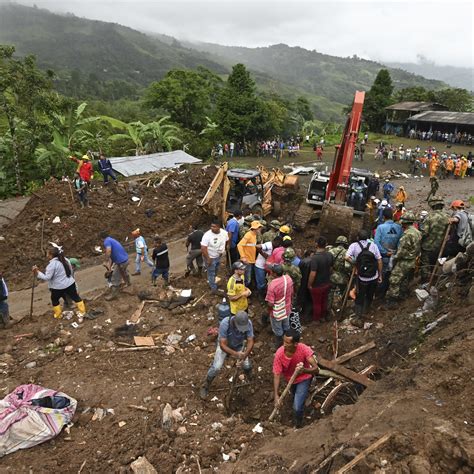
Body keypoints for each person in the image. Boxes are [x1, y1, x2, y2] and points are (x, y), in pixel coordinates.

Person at [199, 310, 254, 399]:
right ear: (235, 323)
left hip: (239, 346)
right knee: (216, 367)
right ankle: (205, 385)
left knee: (247, 365)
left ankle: (250, 377)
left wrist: (244, 355)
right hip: (226, 346)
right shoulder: (225, 323)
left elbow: (250, 340)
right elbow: (222, 345)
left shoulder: (248, 323)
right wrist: (236, 354)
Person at [273, 329, 319, 428]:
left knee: (297, 407)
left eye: (287, 343)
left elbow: (316, 369)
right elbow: (277, 374)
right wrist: (276, 395)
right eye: (284, 341)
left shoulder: (304, 349)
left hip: (304, 378)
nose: (284, 344)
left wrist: (304, 370)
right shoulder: (279, 354)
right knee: (295, 395)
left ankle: (298, 425)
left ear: (295, 344)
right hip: (291, 380)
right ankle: (299, 399)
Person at [33, 246, 87, 319]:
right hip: (70, 283)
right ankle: (82, 311)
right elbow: (70, 271)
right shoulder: (66, 260)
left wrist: (37, 272)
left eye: (48, 254)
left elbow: (47, 277)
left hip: (57, 287)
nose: (47, 255)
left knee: (55, 300)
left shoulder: (51, 265)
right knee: (76, 297)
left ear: (51, 255)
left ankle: (58, 315)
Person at [345, 229, 383, 325]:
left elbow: (346, 257)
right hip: (373, 276)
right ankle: (366, 310)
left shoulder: (354, 246)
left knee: (360, 295)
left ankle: (358, 314)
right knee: (370, 294)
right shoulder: (373, 246)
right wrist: (380, 275)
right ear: (368, 238)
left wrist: (356, 264)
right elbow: (379, 260)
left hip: (361, 277)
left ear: (358, 237)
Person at [385, 212, 421, 307]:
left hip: (405, 261)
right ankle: (403, 295)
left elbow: (401, 252)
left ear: (404, 223)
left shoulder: (406, 235)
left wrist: (394, 256)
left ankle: (392, 301)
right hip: (413, 260)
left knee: (394, 279)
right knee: (405, 279)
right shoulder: (417, 232)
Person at [374, 208, 402, 298]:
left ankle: (378, 295)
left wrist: (386, 253)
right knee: (391, 276)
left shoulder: (380, 228)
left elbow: (376, 243)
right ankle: (385, 294)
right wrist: (394, 252)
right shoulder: (399, 228)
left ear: (384, 217)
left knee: (381, 276)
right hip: (395, 257)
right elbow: (401, 242)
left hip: (383, 257)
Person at [420, 197, 449, 282]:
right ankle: (434, 278)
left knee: (425, 266)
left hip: (428, 246)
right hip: (441, 246)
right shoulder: (447, 216)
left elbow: (424, 233)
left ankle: (425, 282)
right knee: (435, 264)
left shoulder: (429, 217)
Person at [266, 264, 294, 348]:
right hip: (287, 307)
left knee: (277, 328)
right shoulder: (288, 279)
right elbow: (292, 292)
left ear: (274, 274)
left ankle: (278, 345)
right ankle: (288, 341)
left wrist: (269, 310)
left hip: (277, 311)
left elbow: (270, 303)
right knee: (286, 325)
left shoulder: (272, 285)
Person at [307, 237, 334, 322]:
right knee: (324, 301)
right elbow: (331, 268)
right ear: (326, 244)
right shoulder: (330, 255)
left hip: (317, 285)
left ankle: (316, 320)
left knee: (317, 303)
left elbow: (313, 273)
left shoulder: (315, 258)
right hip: (326, 282)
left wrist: (309, 284)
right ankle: (322, 317)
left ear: (316, 244)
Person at [100, 231, 130, 301]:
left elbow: (109, 251)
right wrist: (109, 268)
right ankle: (128, 284)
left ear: (102, 238)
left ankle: (114, 295)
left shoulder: (106, 241)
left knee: (115, 278)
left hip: (121, 262)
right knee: (124, 273)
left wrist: (105, 260)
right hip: (125, 260)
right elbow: (111, 258)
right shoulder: (112, 240)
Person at [201, 219, 229, 294]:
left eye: (214, 227)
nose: (212, 228)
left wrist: (225, 247)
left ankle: (212, 282)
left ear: (219, 227)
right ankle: (213, 289)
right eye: (211, 226)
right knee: (211, 272)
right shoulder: (207, 235)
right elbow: (203, 248)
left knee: (216, 270)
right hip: (210, 257)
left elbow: (227, 240)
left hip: (218, 256)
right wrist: (208, 259)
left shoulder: (224, 233)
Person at [327, 236, 352, 311]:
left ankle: (328, 309)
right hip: (343, 277)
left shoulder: (330, 251)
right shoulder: (347, 253)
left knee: (330, 293)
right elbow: (348, 267)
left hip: (332, 275)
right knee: (344, 292)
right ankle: (342, 308)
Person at [238, 220, 263, 286]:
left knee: (248, 277)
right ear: (255, 229)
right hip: (247, 260)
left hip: (251, 260)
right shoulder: (248, 235)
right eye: (259, 228)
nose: (260, 229)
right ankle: (242, 291)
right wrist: (243, 257)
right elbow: (239, 245)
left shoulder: (254, 235)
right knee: (247, 279)